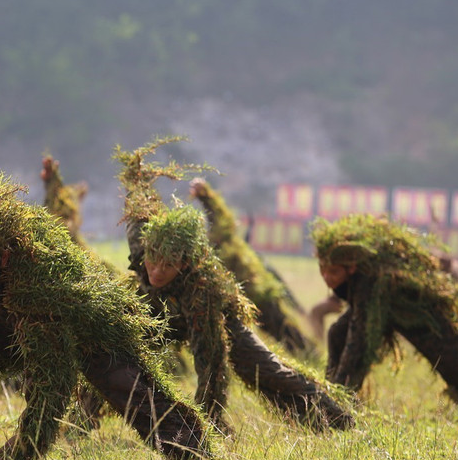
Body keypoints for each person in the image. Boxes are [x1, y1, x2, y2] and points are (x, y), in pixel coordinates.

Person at [0, 139, 217, 460]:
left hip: (85, 326)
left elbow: (51, 391)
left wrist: (19, 452)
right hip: (7, 315)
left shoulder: (40, 293)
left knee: (130, 390)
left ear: (4, 257)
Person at [111, 139, 353, 433]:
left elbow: (210, 364)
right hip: (160, 311)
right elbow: (139, 211)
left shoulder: (203, 290)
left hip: (216, 321)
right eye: (153, 261)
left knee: (270, 371)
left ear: (184, 264)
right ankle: (80, 422)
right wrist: (138, 179)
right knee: (113, 352)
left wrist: (210, 421)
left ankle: (338, 420)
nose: (157, 271)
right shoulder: (142, 246)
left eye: (168, 265)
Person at [313, 214, 458, 416]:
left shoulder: (368, 282)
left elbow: (358, 341)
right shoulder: (359, 273)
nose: (327, 278)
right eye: (323, 271)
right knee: (337, 333)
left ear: (351, 267)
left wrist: (338, 389)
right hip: (387, 312)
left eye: (334, 272)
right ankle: (332, 400)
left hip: (422, 319)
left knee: (457, 366)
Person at [189, 178, 315, 357]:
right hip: (242, 298)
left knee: (281, 326)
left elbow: (221, 219)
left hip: (257, 293)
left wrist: (206, 197)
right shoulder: (208, 251)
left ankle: (308, 352)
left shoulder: (226, 240)